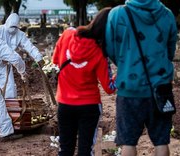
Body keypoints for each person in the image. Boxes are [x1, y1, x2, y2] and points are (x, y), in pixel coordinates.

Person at [105, 0, 177, 155]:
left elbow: (110, 49)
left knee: (128, 143)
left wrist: (126, 65)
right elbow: (170, 52)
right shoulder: (167, 14)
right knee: (161, 142)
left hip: (129, 89)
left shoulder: (117, 14)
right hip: (161, 89)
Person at [53, 8, 116, 156]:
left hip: (64, 104)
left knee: (65, 150)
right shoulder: (100, 52)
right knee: (85, 151)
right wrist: (121, 74)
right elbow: (109, 88)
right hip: (89, 106)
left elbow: (55, 60)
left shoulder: (67, 35)